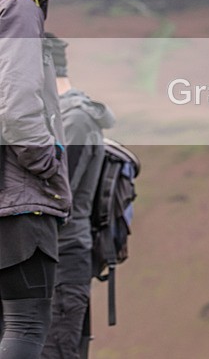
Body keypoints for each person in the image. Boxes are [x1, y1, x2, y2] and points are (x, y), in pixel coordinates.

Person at [0, 0, 75, 358]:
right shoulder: (18, 10)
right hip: (19, 200)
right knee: (27, 327)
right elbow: (17, 105)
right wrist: (46, 166)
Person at [41, 34, 115, 359]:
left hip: (64, 260)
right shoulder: (61, 117)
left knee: (54, 352)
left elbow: (57, 192)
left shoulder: (75, 120)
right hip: (47, 258)